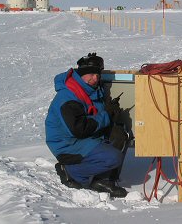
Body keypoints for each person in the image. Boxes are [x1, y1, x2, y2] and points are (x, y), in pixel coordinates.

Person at [45, 52, 128, 198]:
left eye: (98, 74)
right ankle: (72, 172)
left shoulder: (90, 89)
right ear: (81, 74)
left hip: (80, 138)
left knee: (120, 136)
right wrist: (107, 115)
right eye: (91, 74)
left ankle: (102, 179)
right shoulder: (68, 97)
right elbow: (79, 129)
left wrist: (109, 110)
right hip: (67, 143)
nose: (95, 78)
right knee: (113, 157)